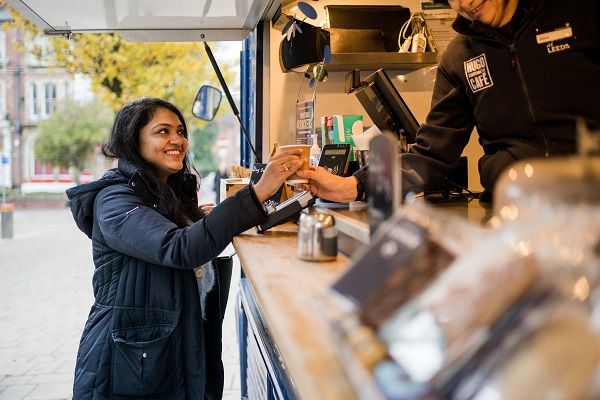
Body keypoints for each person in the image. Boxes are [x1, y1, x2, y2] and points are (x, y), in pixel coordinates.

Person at [66, 97, 303, 399]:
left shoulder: (164, 194)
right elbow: (179, 248)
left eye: (180, 131)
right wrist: (257, 193)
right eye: (162, 132)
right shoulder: (114, 200)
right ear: (133, 139)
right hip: (129, 365)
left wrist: (197, 221)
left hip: (167, 351)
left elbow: (176, 238)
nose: (177, 140)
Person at [298, 0, 600, 203]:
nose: (465, 3)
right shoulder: (460, 56)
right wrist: (356, 185)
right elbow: (432, 154)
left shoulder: (580, 13)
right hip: (516, 213)